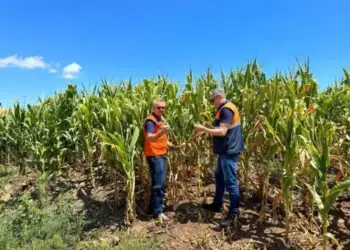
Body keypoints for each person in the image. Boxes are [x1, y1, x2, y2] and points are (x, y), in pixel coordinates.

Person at [194, 88, 244, 228]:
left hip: (229, 151)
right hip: (225, 150)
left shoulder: (226, 110)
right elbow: (221, 128)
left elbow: (222, 132)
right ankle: (217, 204)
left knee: (230, 181)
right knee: (219, 177)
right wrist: (206, 130)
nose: (211, 103)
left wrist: (203, 129)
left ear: (218, 97)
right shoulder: (224, 109)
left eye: (212, 100)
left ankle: (233, 213)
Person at [143, 98, 178, 221]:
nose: (161, 109)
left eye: (163, 107)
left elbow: (161, 137)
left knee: (161, 182)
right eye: (159, 107)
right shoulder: (150, 121)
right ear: (153, 108)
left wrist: (171, 144)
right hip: (154, 155)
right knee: (158, 184)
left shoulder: (160, 120)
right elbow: (150, 137)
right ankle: (158, 212)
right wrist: (160, 132)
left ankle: (154, 207)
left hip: (162, 153)